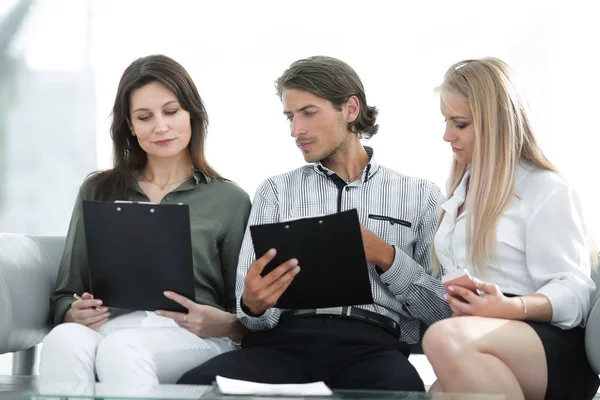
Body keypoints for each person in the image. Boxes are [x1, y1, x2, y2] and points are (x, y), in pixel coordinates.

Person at [177, 56, 450, 391]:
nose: (296, 130)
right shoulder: (276, 191)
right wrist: (253, 303)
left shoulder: (421, 195)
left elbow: (442, 312)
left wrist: (386, 257)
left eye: (308, 113)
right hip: (283, 345)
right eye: (290, 117)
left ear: (350, 109)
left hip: (372, 347)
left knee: (400, 390)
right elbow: (251, 317)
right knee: (192, 387)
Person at [39, 54, 251, 384]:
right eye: (144, 116)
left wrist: (224, 322)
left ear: (192, 114)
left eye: (171, 111)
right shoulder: (98, 190)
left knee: (123, 349)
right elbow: (67, 291)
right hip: (113, 325)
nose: (160, 126)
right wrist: (72, 311)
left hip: (195, 336)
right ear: (130, 126)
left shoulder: (229, 200)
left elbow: (244, 309)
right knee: (62, 340)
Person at [422, 57, 599, 399]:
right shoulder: (460, 193)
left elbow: (577, 295)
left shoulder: (545, 189)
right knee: (442, 392)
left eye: (459, 123)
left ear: (495, 124)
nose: (446, 135)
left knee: (444, 338)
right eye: (446, 121)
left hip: (549, 342)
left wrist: (508, 307)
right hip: (485, 335)